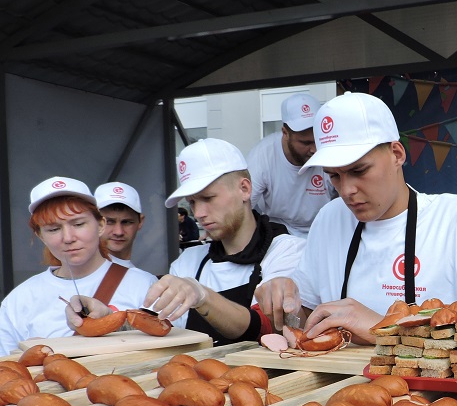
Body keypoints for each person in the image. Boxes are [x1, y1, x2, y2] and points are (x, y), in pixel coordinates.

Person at [255, 92, 457, 343]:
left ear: (397, 154)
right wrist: (284, 300)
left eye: (359, 170)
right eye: (334, 176)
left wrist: (386, 329)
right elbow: (306, 320)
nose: (346, 191)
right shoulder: (329, 218)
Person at [69, 139, 306, 346]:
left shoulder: (287, 250)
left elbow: (265, 326)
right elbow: (161, 326)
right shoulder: (189, 262)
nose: (199, 213)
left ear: (244, 189)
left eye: (208, 198)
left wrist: (202, 295)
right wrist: (110, 319)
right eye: (192, 202)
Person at [0, 177, 157, 355]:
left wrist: (116, 324)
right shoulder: (19, 300)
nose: (68, 237)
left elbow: (166, 352)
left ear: (100, 224)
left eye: (78, 224)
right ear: (40, 235)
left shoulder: (145, 285)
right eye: (53, 229)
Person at [247, 93, 335, 237]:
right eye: (305, 143)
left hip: (326, 230)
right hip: (278, 234)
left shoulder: (329, 150)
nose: (314, 149)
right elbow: (242, 206)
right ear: (285, 133)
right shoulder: (262, 155)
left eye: (318, 140)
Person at [95, 181, 144, 267]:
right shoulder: (72, 270)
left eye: (127, 222)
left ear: (141, 221)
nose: (118, 232)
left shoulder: (146, 279)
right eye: (109, 222)